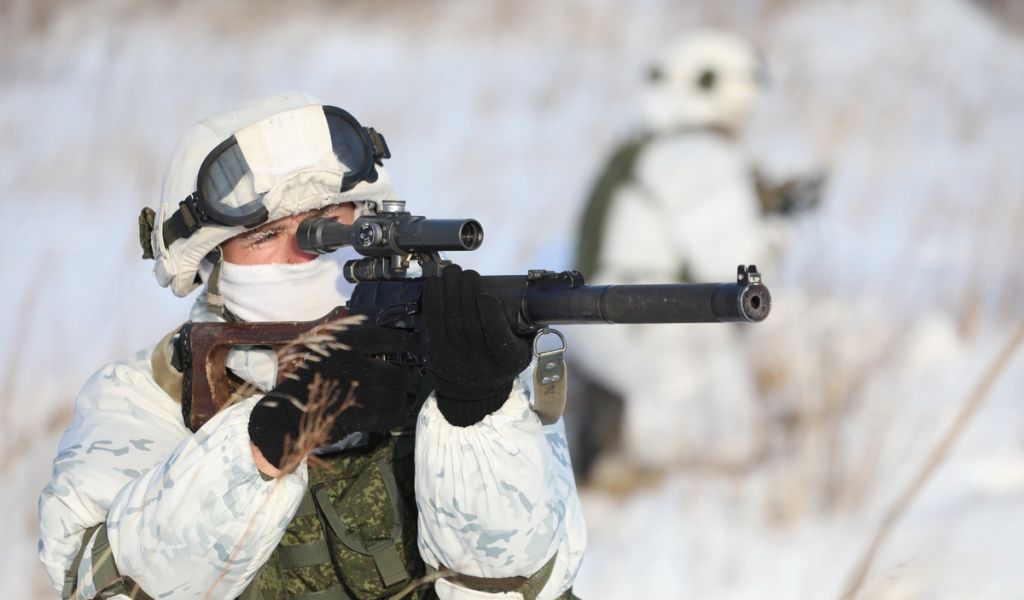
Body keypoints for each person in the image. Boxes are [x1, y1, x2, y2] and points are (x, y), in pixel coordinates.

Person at [38, 92, 586, 600]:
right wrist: (262, 444)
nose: (305, 255)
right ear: (210, 266)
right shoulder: (149, 395)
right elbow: (96, 585)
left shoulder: (457, 362)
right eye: (264, 237)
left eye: (329, 227)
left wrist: (476, 419)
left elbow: (531, 583)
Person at [567, 31, 823, 475]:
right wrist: (779, 226)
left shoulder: (648, 146)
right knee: (728, 452)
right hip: (648, 333)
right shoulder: (697, 155)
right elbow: (739, 271)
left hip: (602, 319)